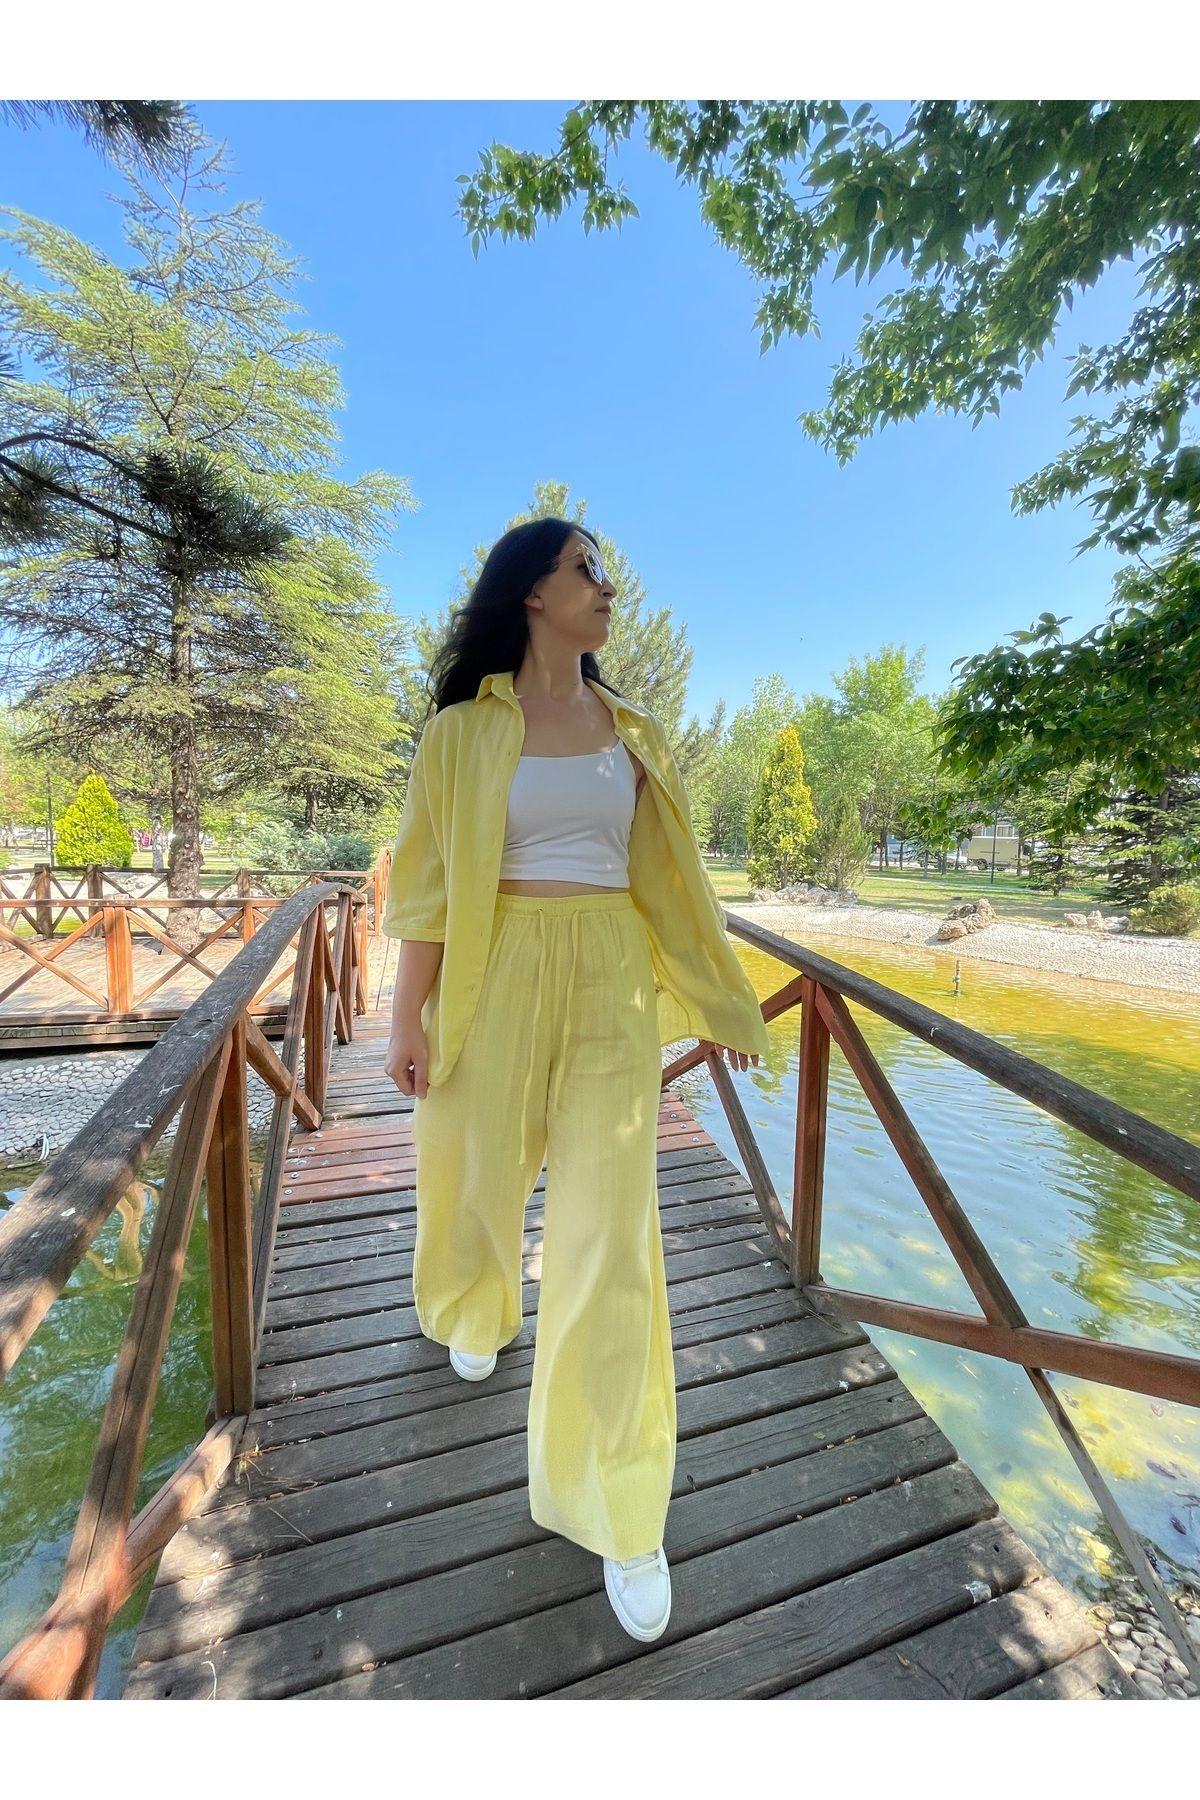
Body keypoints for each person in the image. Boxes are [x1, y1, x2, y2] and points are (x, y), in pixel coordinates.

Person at [382, 518, 768, 1644]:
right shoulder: (460, 731)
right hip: (492, 969)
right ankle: (474, 1303)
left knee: (611, 1236)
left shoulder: (633, 733)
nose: (608, 589)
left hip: (608, 978)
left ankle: (617, 1495)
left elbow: (674, 885)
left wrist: (722, 998)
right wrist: (405, 1018)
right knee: (473, 1170)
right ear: (532, 594)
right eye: (586, 571)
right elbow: (425, 891)